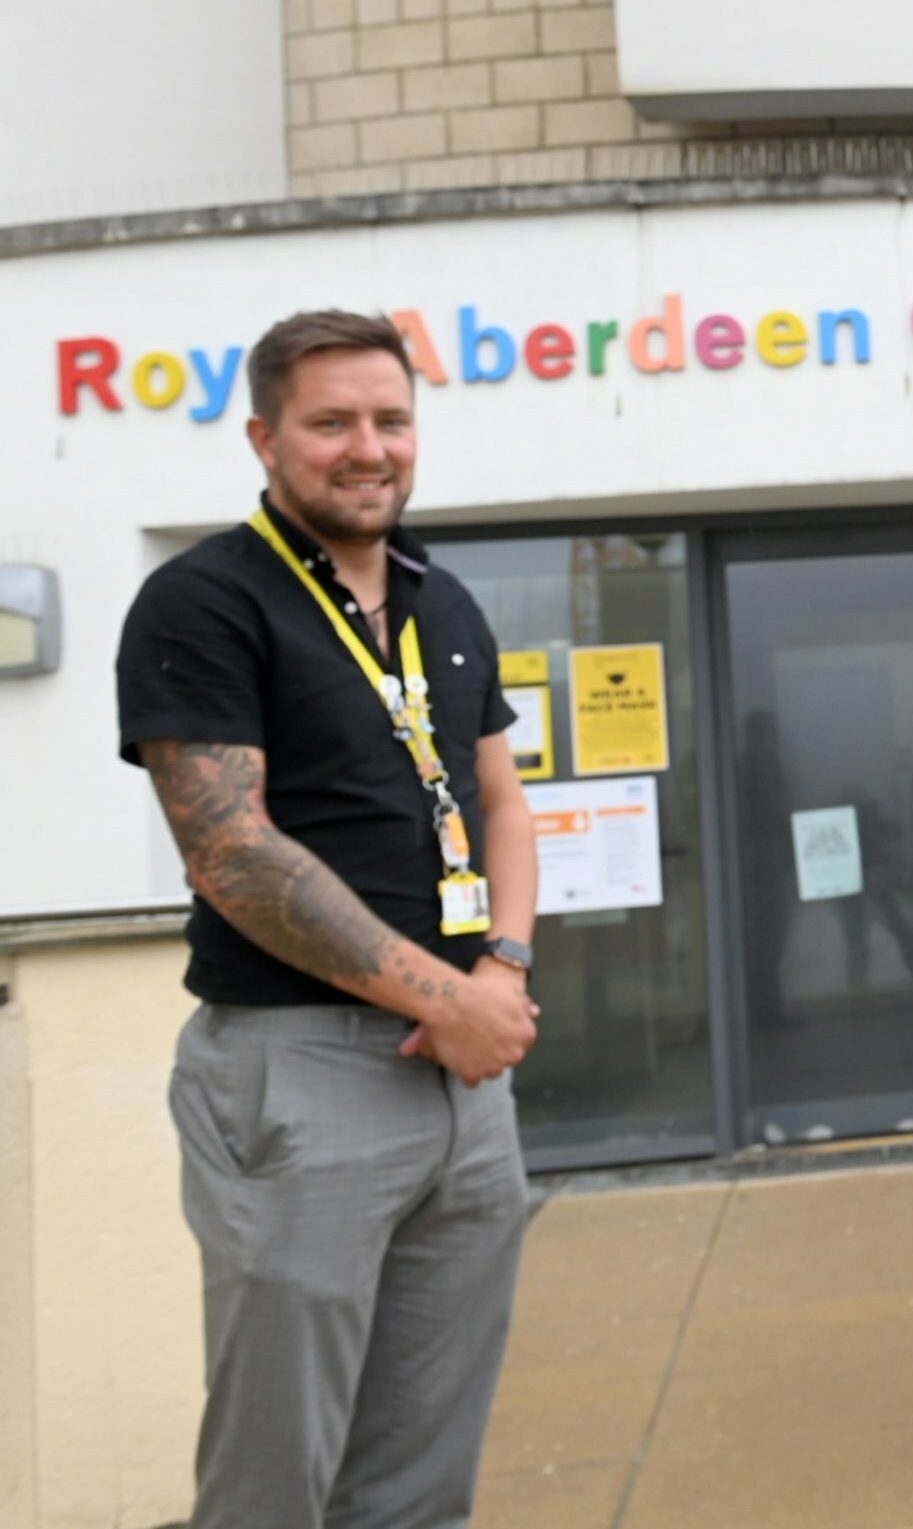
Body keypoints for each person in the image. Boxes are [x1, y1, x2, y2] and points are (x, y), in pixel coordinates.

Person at [116, 309, 541, 1529]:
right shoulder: (203, 600)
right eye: (332, 422)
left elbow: (503, 801)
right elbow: (233, 850)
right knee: (275, 1472)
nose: (369, 447)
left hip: (467, 1072)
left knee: (422, 1465)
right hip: (302, 1069)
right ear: (264, 437)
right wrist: (445, 996)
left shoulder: (440, 597)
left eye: (391, 418)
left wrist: (502, 965)